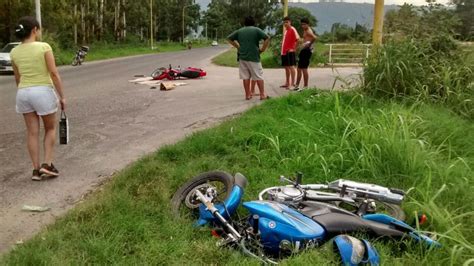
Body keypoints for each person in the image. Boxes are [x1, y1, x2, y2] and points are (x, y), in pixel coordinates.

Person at [10, 16, 66, 181]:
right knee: (50, 128)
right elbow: (54, 73)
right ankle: (47, 165)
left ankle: (35, 170)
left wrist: (25, 91)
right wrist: (62, 96)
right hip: (42, 91)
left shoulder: (14, 52)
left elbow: (17, 78)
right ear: (34, 30)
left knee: (32, 132)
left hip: (23, 93)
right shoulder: (43, 47)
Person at [227, 16, 270, 100]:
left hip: (242, 57)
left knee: (245, 77)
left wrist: (238, 47)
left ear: (244, 23)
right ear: (253, 22)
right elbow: (267, 38)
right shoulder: (256, 30)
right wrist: (262, 49)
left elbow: (229, 38)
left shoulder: (240, 31)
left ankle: (247, 95)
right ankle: (262, 95)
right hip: (254, 57)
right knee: (258, 76)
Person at [294, 18, 317, 91]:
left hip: (307, 50)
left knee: (304, 68)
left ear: (308, 24)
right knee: (299, 68)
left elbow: (314, 37)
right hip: (304, 50)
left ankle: (305, 86)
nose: (303, 26)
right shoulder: (306, 30)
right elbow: (306, 39)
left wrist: (309, 44)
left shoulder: (308, 31)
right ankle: (297, 85)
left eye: (304, 24)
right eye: (302, 24)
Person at [280, 16, 300, 90]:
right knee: (286, 67)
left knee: (291, 67)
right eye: (284, 22)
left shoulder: (292, 29)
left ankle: (292, 84)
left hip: (290, 51)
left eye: (287, 22)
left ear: (290, 22)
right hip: (284, 52)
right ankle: (287, 83)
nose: (285, 24)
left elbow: (298, 39)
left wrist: (293, 49)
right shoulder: (286, 31)